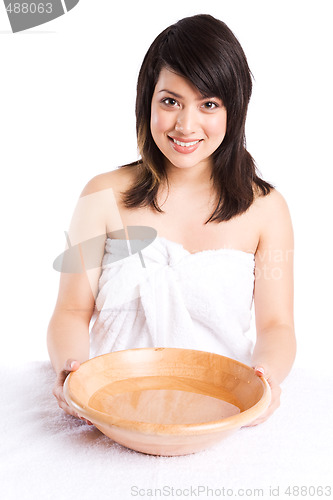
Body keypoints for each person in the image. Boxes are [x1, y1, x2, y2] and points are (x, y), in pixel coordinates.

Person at [47, 14, 296, 427]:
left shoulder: (266, 209)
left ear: (234, 110)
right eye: (170, 101)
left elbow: (277, 326)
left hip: (220, 409)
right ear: (148, 100)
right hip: (111, 407)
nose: (186, 124)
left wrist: (265, 379)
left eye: (209, 104)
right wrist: (73, 371)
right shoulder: (101, 195)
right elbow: (71, 311)